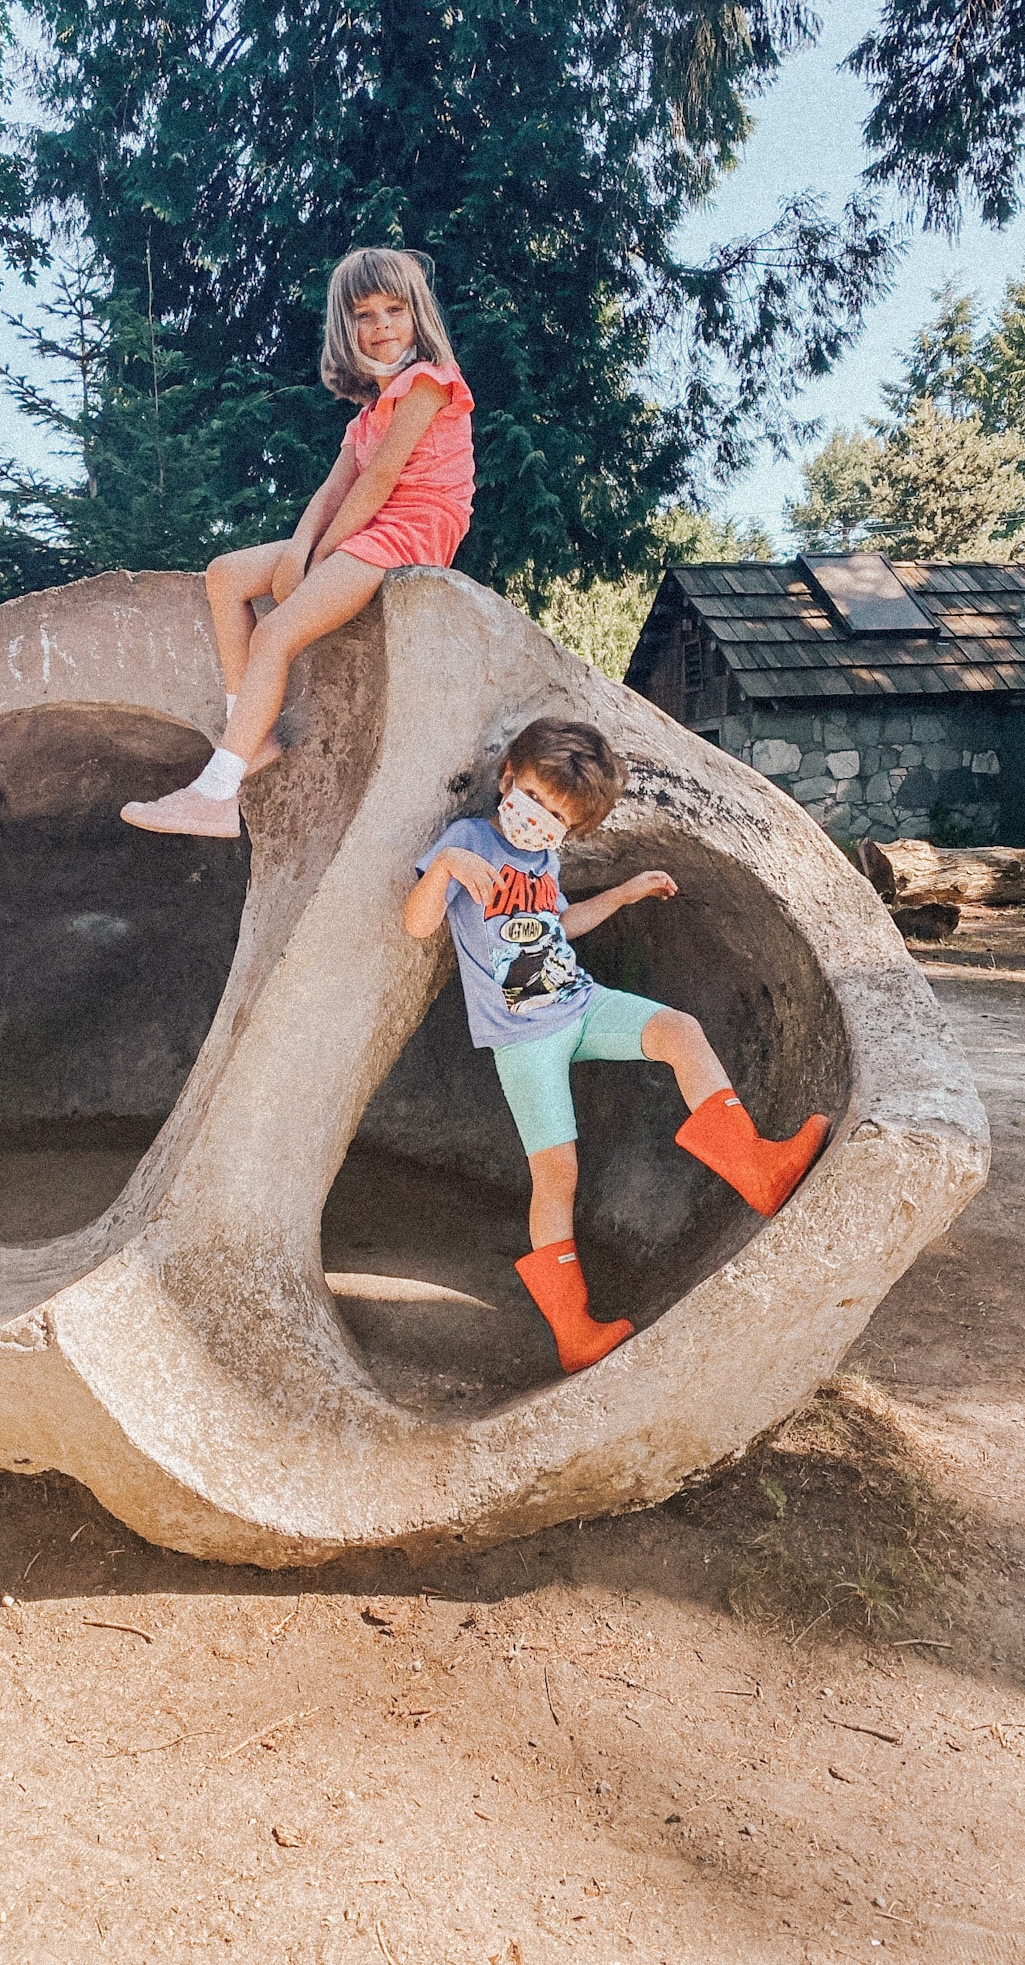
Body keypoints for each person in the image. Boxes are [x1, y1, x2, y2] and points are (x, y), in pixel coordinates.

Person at [402, 718, 831, 1374]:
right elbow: (418, 922)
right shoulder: (471, 840)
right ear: (509, 778)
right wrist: (450, 866)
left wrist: (625, 894)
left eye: (558, 819)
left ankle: (753, 1167)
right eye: (536, 801)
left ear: (572, 831)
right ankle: (573, 1328)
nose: (540, 820)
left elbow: (556, 925)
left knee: (678, 1030)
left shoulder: (543, 858)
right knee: (557, 1174)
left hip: (577, 1001)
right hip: (524, 1039)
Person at [121, 246, 475, 838]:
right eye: (364, 314)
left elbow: (384, 479)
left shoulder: (429, 383)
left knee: (277, 632)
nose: (381, 325)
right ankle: (249, 736)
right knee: (226, 575)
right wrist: (298, 550)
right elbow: (333, 492)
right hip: (368, 524)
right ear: (345, 326)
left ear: (419, 316)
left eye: (395, 309)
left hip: (414, 524)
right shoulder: (365, 417)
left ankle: (216, 792)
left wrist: (319, 563)